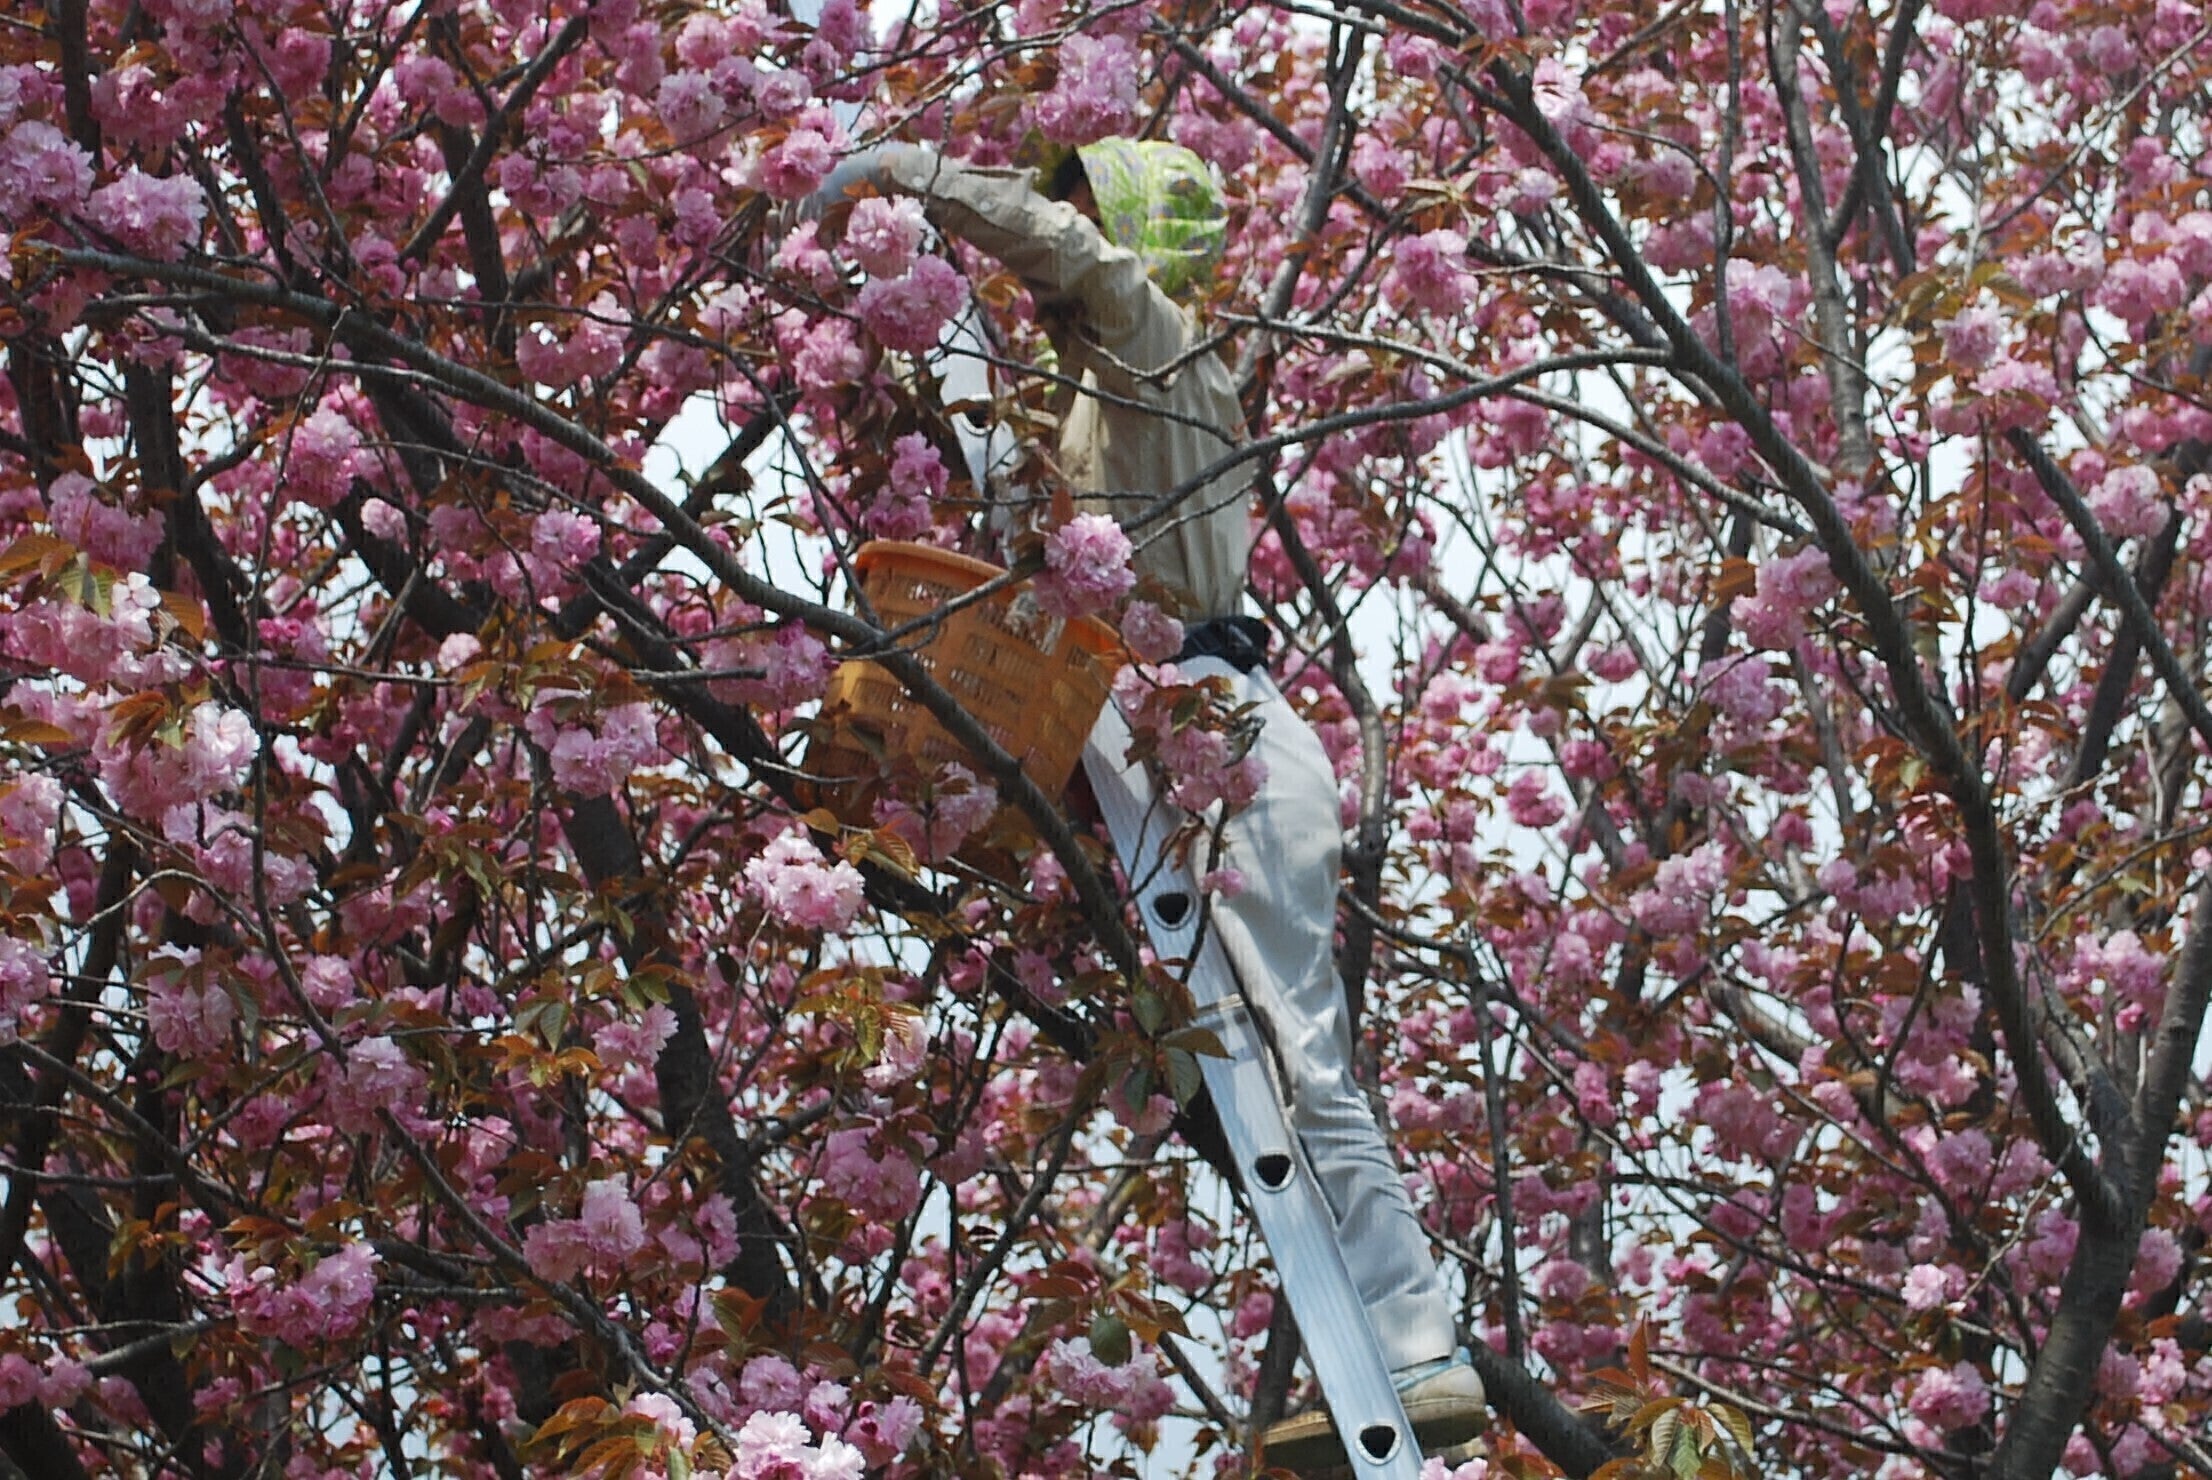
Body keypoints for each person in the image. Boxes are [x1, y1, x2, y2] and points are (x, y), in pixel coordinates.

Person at [817, 137, 1486, 1466]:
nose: (1058, 242)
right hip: (1142, 716)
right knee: (1241, 1055)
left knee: (1300, 1048)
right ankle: (1370, 1343)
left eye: (1082, 211)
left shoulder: (1155, 332)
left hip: (1216, 721)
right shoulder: (1094, 390)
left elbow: (1069, 258)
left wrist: (906, 173)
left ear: (1130, 227)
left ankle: (1417, 1350)